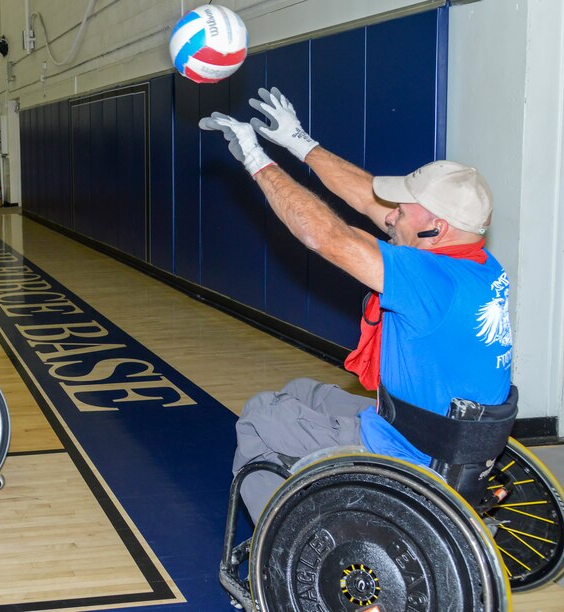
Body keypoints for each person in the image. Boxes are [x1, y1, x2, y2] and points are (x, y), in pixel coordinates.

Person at [200, 87, 513, 523]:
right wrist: (301, 144)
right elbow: (370, 200)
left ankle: (278, 557)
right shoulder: (478, 264)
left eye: (404, 210)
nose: (392, 213)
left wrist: (258, 161)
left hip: (404, 449)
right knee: (300, 392)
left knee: (260, 416)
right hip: (444, 434)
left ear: (435, 229)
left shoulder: (427, 279)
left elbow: (329, 237)